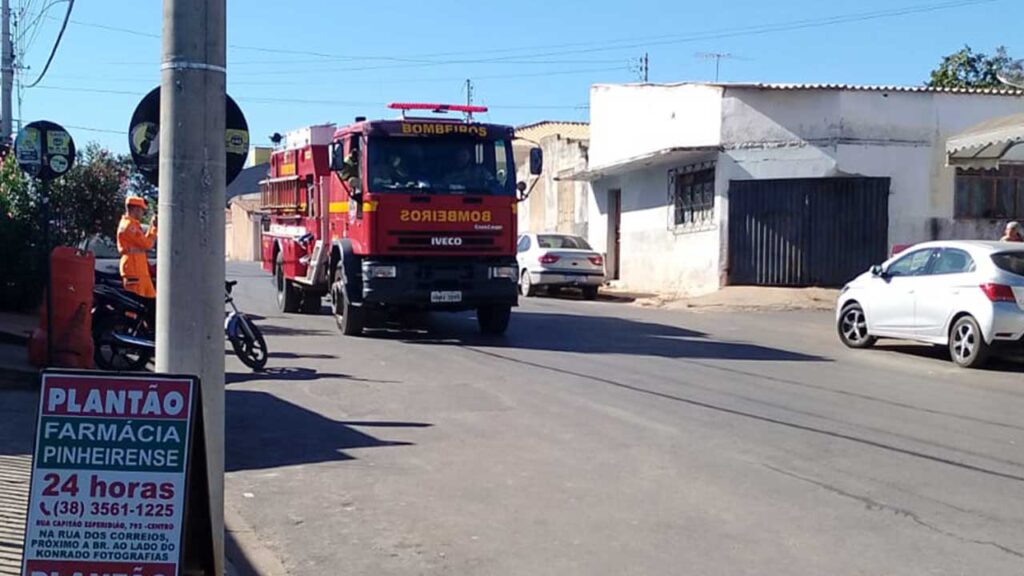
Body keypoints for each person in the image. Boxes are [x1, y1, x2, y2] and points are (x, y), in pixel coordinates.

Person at [117, 196, 158, 299]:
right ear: (135, 209)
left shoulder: (132, 225)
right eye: (142, 210)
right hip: (133, 270)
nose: (142, 213)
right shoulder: (129, 227)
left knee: (151, 300)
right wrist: (153, 229)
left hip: (139, 269)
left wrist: (153, 227)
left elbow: (144, 243)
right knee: (136, 304)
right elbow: (147, 244)